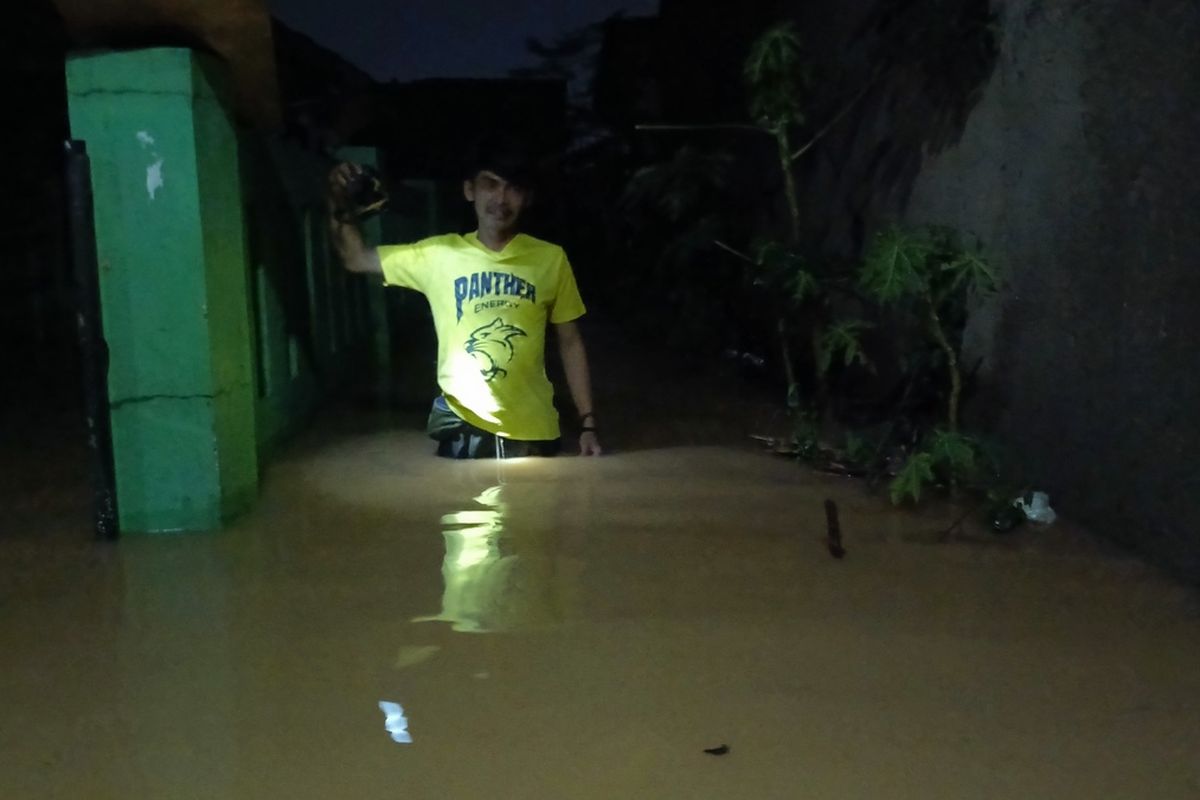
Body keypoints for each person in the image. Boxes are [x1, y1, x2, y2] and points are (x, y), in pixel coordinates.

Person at [326, 136, 602, 458]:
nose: (501, 198)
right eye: (491, 184)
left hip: (535, 434)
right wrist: (337, 201)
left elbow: (570, 342)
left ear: (526, 198)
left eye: (513, 188)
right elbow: (355, 258)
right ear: (469, 190)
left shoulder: (550, 259)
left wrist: (588, 425)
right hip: (462, 434)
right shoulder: (438, 254)